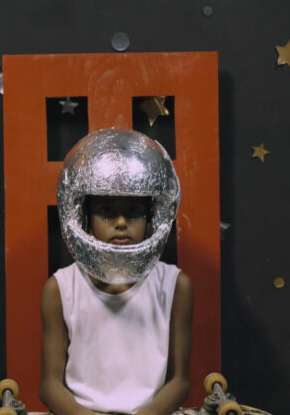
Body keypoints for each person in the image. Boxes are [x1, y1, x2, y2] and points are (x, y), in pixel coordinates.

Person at [40, 128, 193, 415]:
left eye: (133, 211)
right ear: (86, 217)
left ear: (151, 216)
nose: (121, 222)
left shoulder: (175, 285)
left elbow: (180, 380)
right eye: (107, 211)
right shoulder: (61, 288)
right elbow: (50, 384)